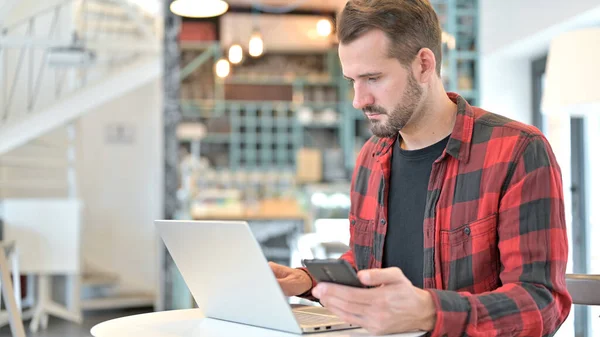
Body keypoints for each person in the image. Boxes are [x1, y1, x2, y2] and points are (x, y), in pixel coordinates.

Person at [269, 0, 572, 335]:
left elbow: (542, 304)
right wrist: (305, 281)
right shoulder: (371, 156)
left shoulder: (517, 151)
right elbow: (366, 264)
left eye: (373, 77)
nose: (358, 99)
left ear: (424, 65)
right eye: (352, 80)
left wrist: (430, 312)